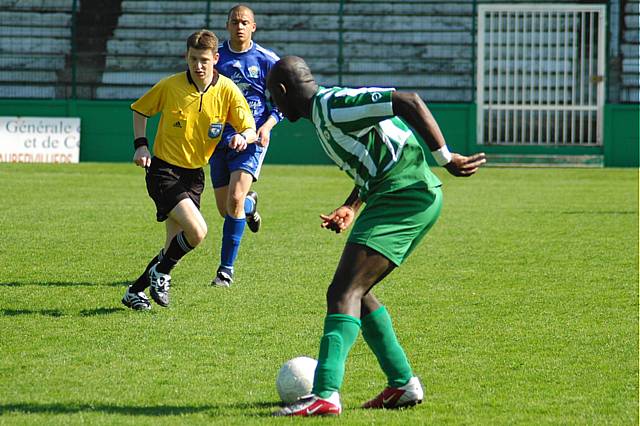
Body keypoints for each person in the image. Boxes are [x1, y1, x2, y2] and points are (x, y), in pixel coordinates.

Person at [266, 56, 486, 416]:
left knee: (343, 292)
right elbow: (375, 157)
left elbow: (408, 101)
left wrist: (445, 158)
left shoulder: (333, 106)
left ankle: (325, 394)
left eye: (274, 97)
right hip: (394, 195)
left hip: (405, 195)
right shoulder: (325, 115)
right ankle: (402, 384)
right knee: (359, 293)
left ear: (283, 91)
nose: (275, 104)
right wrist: (351, 206)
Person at [121, 29, 256, 310]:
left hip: (194, 176)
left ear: (216, 58)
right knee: (198, 231)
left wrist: (243, 136)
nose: (198, 66)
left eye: (204, 60)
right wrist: (141, 145)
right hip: (164, 172)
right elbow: (140, 109)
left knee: (173, 245)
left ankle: (134, 292)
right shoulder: (170, 86)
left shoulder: (228, 90)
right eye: (193, 59)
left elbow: (249, 128)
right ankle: (162, 273)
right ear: (186, 56)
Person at [209, 4, 283, 288]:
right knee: (226, 208)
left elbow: (281, 104)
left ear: (253, 27)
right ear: (227, 26)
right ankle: (251, 206)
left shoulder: (267, 61)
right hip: (219, 139)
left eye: (245, 22)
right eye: (235, 21)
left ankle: (225, 272)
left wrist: (266, 127)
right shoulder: (216, 59)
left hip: (251, 138)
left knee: (234, 201)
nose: (239, 26)